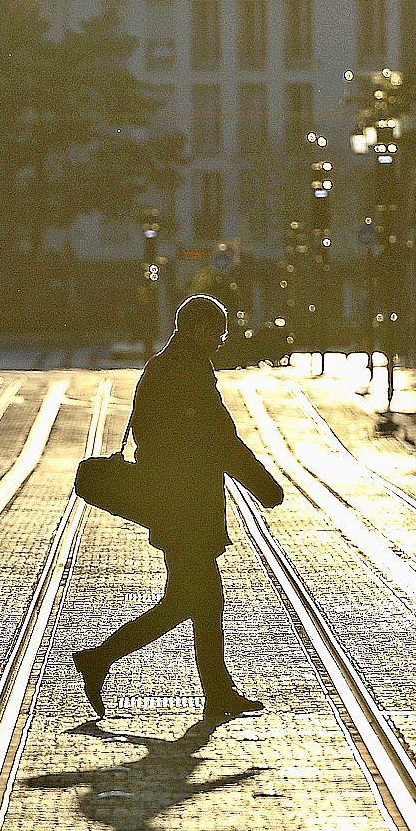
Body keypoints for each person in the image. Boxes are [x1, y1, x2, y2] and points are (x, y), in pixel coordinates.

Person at [75, 294, 283, 718]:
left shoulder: (175, 366)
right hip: (183, 503)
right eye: (217, 332)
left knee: (195, 601)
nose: (222, 340)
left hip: (183, 502)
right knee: (194, 601)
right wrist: (264, 486)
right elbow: (220, 439)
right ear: (195, 330)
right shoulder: (182, 371)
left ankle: (209, 690)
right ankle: (102, 659)